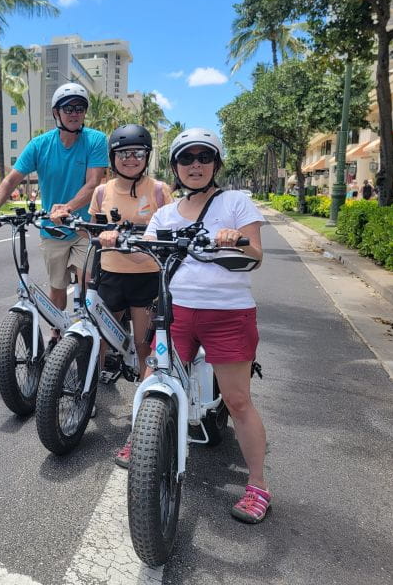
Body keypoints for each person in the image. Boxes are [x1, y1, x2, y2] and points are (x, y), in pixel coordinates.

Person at [142, 127, 269, 524]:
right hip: (177, 310)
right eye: (186, 158)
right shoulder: (164, 213)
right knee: (153, 379)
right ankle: (141, 441)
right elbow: (147, 250)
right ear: (176, 167)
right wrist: (117, 238)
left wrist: (237, 241)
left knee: (238, 400)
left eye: (203, 157)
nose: (195, 165)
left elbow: (257, 255)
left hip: (228, 314)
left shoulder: (235, 202)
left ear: (215, 164)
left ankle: (258, 486)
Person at [0, 82, 108, 344]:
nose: (75, 113)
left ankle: (87, 330)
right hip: (52, 229)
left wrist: (68, 207)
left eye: (80, 108)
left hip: (83, 226)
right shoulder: (39, 145)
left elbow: (93, 183)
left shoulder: (95, 140)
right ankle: (57, 332)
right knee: (57, 286)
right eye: (68, 108)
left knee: (86, 280)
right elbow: (11, 180)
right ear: (56, 113)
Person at [92, 124, 172, 463]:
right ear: (113, 157)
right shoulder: (101, 192)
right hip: (109, 274)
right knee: (99, 341)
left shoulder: (159, 191)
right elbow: (94, 234)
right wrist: (104, 237)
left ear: (146, 156)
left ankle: (142, 423)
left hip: (146, 278)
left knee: (143, 347)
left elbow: (170, 236)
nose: (130, 159)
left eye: (137, 153)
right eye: (123, 153)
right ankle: (87, 396)